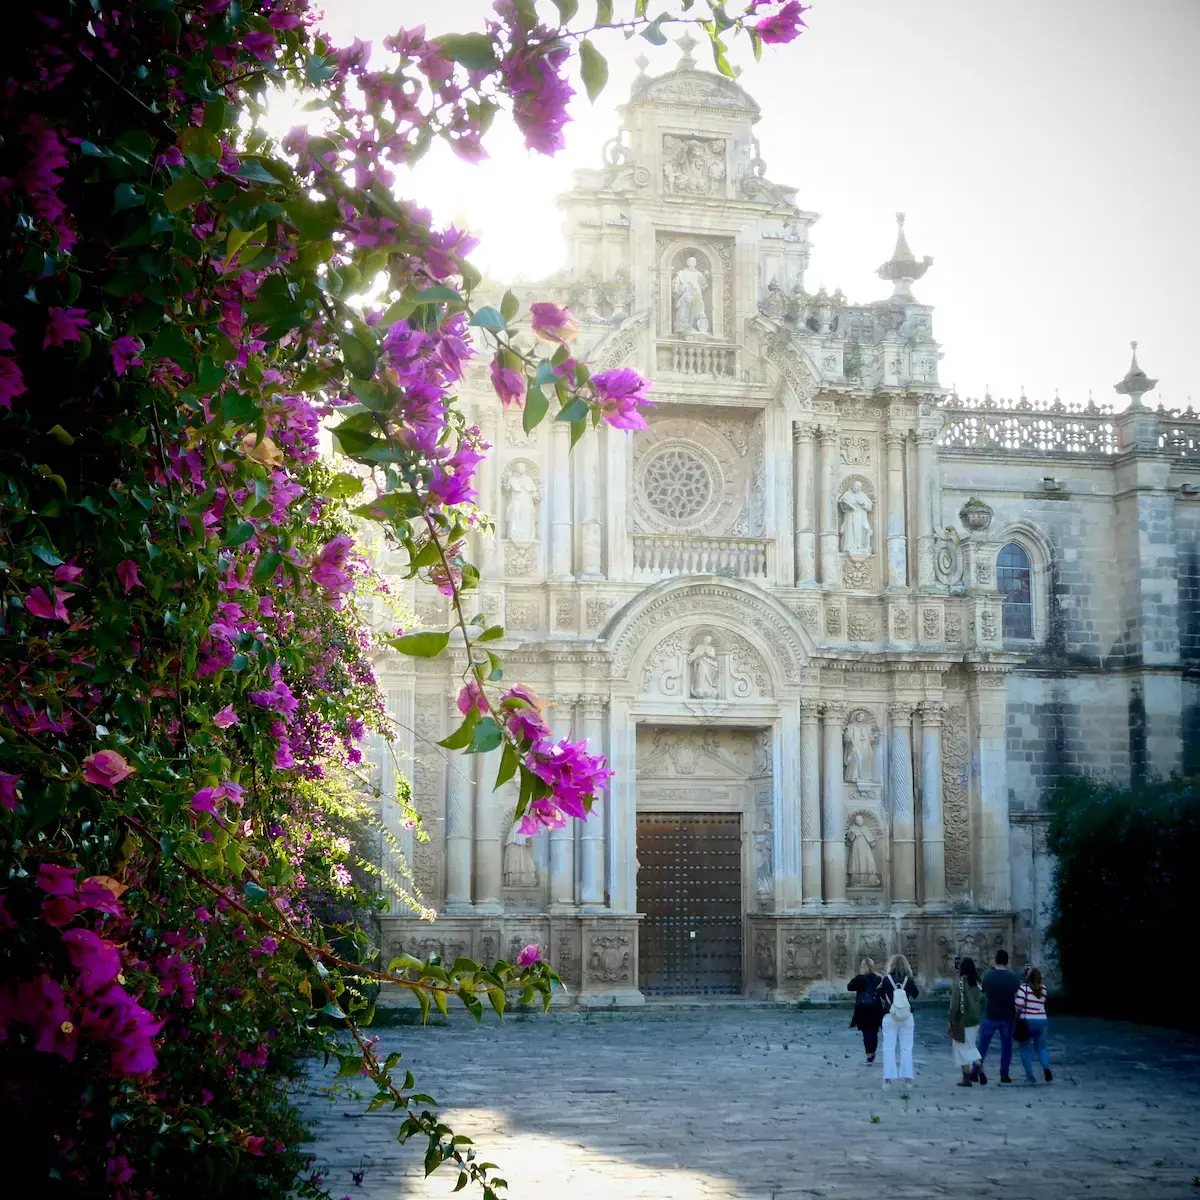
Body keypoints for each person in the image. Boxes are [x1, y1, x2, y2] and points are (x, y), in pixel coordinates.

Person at [978, 948, 1021, 1084]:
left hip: (991, 1014)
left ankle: (975, 1070)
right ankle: (1004, 1074)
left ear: (995, 960)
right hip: (1007, 1016)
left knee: (982, 1046)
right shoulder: (1013, 978)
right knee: (1006, 1047)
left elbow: (982, 989)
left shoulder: (988, 976)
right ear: (1007, 961)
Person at [879, 953, 919, 1093]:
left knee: (888, 1048)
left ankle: (887, 1080)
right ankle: (907, 1079)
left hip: (890, 1015)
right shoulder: (909, 980)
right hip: (907, 1016)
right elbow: (916, 994)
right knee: (906, 1048)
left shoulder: (886, 979)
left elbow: (878, 993)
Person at [947, 956, 985, 1086]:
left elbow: (954, 1004)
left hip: (962, 1020)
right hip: (975, 1020)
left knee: (960, 1047)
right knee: (971, 1045)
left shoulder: (960, 983)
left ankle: (969, 1075)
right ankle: (978, 1068)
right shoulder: (978, 983)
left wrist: (950, 1019)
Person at [1016, 967, 1053, 1083]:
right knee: (1041, 1048)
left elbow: (1018, 1006)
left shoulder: (1024, 989)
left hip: (1028, 1022)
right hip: (1042, 1021)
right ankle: (1047, 1070)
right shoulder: (1044, 989)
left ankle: (1030, 1075)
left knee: (1025, 1048)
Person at [846, 957, 884, 1064]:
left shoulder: (860, 978)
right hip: (876, 1007)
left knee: (866, 1032)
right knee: (874, 1031)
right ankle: (873, 1050)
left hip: (863, 1008)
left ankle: (869, 1053)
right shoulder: (878, 978)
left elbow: (849, 987)